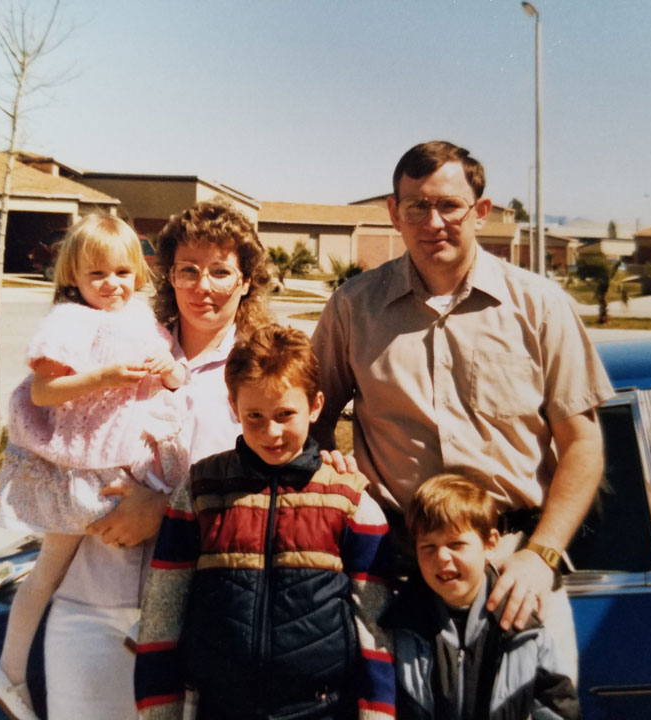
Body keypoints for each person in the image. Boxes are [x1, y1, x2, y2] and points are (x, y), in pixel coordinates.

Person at [311, 140, 615, 677]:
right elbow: (308, 423)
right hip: (395, 579)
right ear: (393, 212)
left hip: (516, 570)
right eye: (417, 206)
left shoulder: (541, 307)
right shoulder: (352, 309)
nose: (434, 222)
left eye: (449, 205)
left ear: (481, 211)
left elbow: (583, 444)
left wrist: (540, 556)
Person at [41, 200, 273, 719]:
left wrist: (165, 509)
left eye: (220, 271)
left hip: (201, 617)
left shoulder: (260, 370)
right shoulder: (121, 342)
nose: (202, 286)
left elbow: (274, 497)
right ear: (168, 276)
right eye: (187, 270)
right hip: (90, 604)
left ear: (246, 281)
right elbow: (53, 426)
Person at [0, 213, 188, 720]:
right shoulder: (69, 320)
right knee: (51, 565)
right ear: (74, 276)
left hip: (133, 450)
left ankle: (149, 626)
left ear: (138, 272)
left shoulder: (141, 317)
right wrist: (104, 377)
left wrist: (171, 371)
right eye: (97, 275)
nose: (111, 285)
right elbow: (44, 390)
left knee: (171, 520)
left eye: (121, 272)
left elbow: (175, 376)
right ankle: (8, 671)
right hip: (85, 456)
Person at [134, 324, 396, 720]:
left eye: (285, 414)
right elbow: (162, 613)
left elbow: (374, 628)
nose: (270, 432)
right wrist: (159, 712)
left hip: (321, 709)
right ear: (232, 405)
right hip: (222, 708)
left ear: (316, 405)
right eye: (254, 415)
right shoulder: (202, 490)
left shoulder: (350, 500)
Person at [381, 474, 580, 720]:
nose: (442, 557)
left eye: (456, 544)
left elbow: (556, 708)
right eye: (428, 547)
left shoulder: (524, 624)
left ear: (489, 543)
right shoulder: (401, 625)